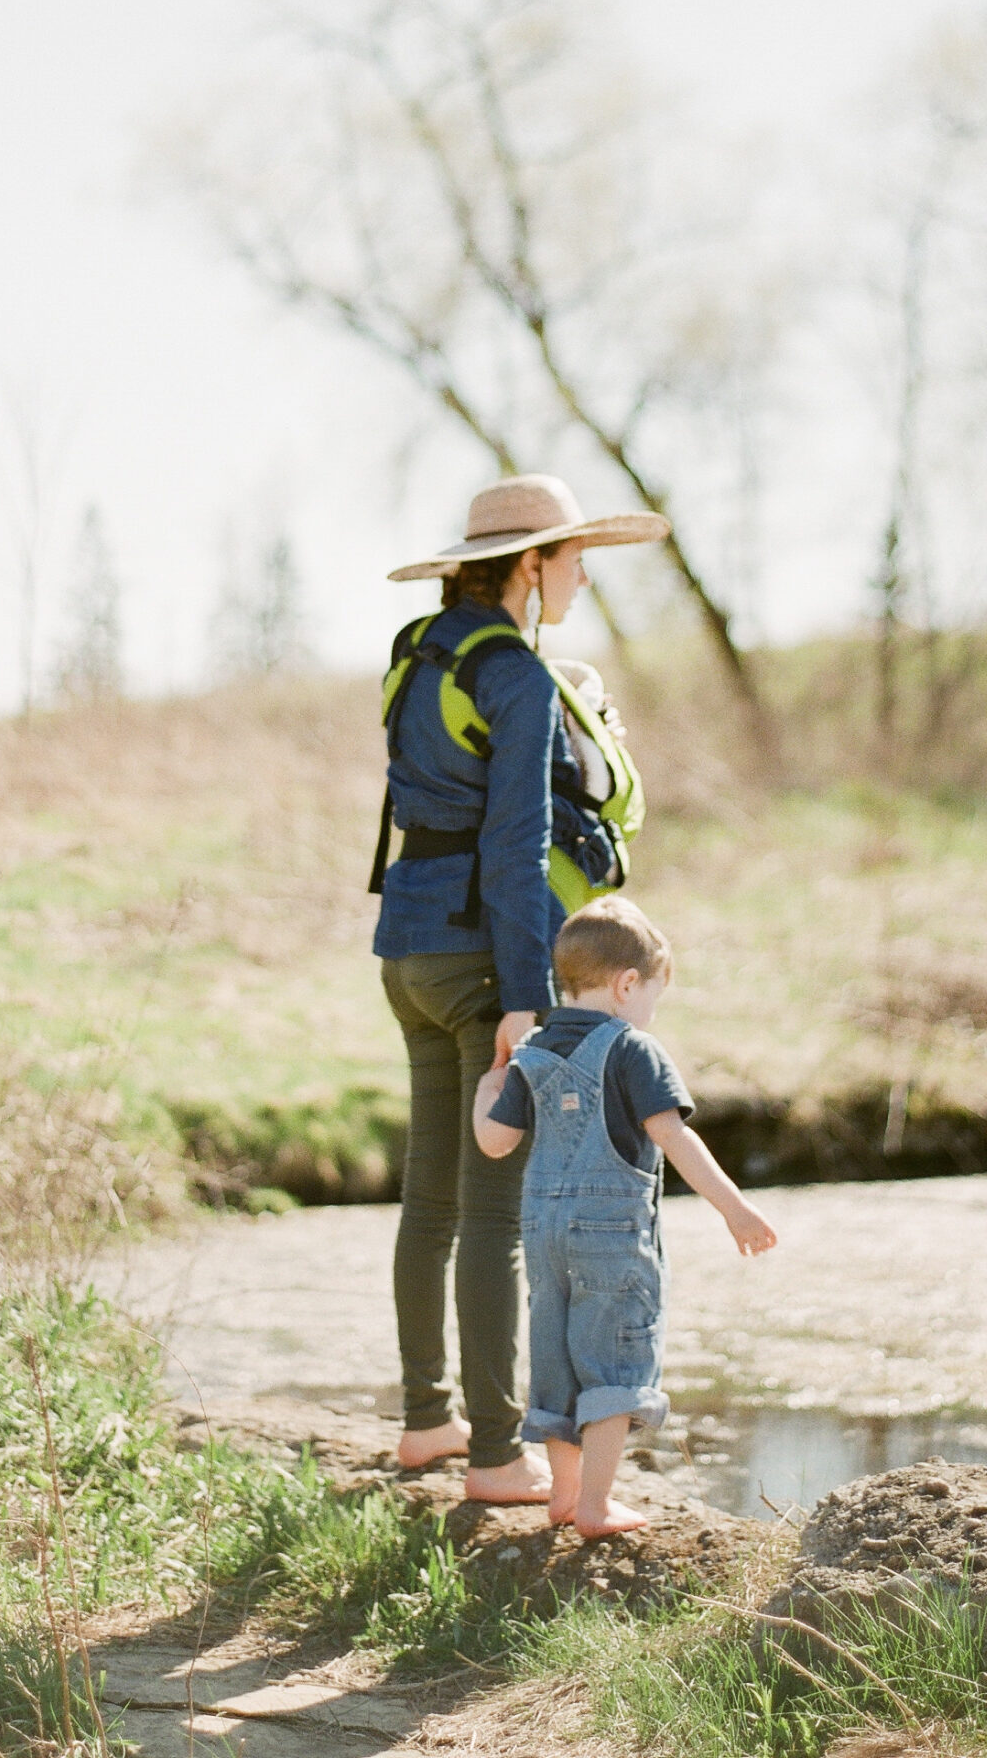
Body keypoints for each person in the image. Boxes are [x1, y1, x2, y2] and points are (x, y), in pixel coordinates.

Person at [372, 475, 669, 1504]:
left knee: (432, 1199)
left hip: (406, 947)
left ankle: (426, 1422)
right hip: (477, 960)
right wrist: (523, 988)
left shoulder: (421, 650)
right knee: (497, 1210)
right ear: (531, 565)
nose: (583, 572)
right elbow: (515, 844)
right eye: (573, 556)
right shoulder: (519, 677)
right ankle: (497, 1458)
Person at [472, 900, 777, 1536]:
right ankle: (594, 1506)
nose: (649, 1013)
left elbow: (495, 1144)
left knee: (556, 1359)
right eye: (652, 999)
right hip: (610, 1233)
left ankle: (563, 1493)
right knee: (614, 1365)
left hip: (542, 1234)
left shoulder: (532, 1051)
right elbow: (675, 1138)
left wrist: (485, 1093)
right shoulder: (635, 1048)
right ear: (627, 983)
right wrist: (735, 1208)